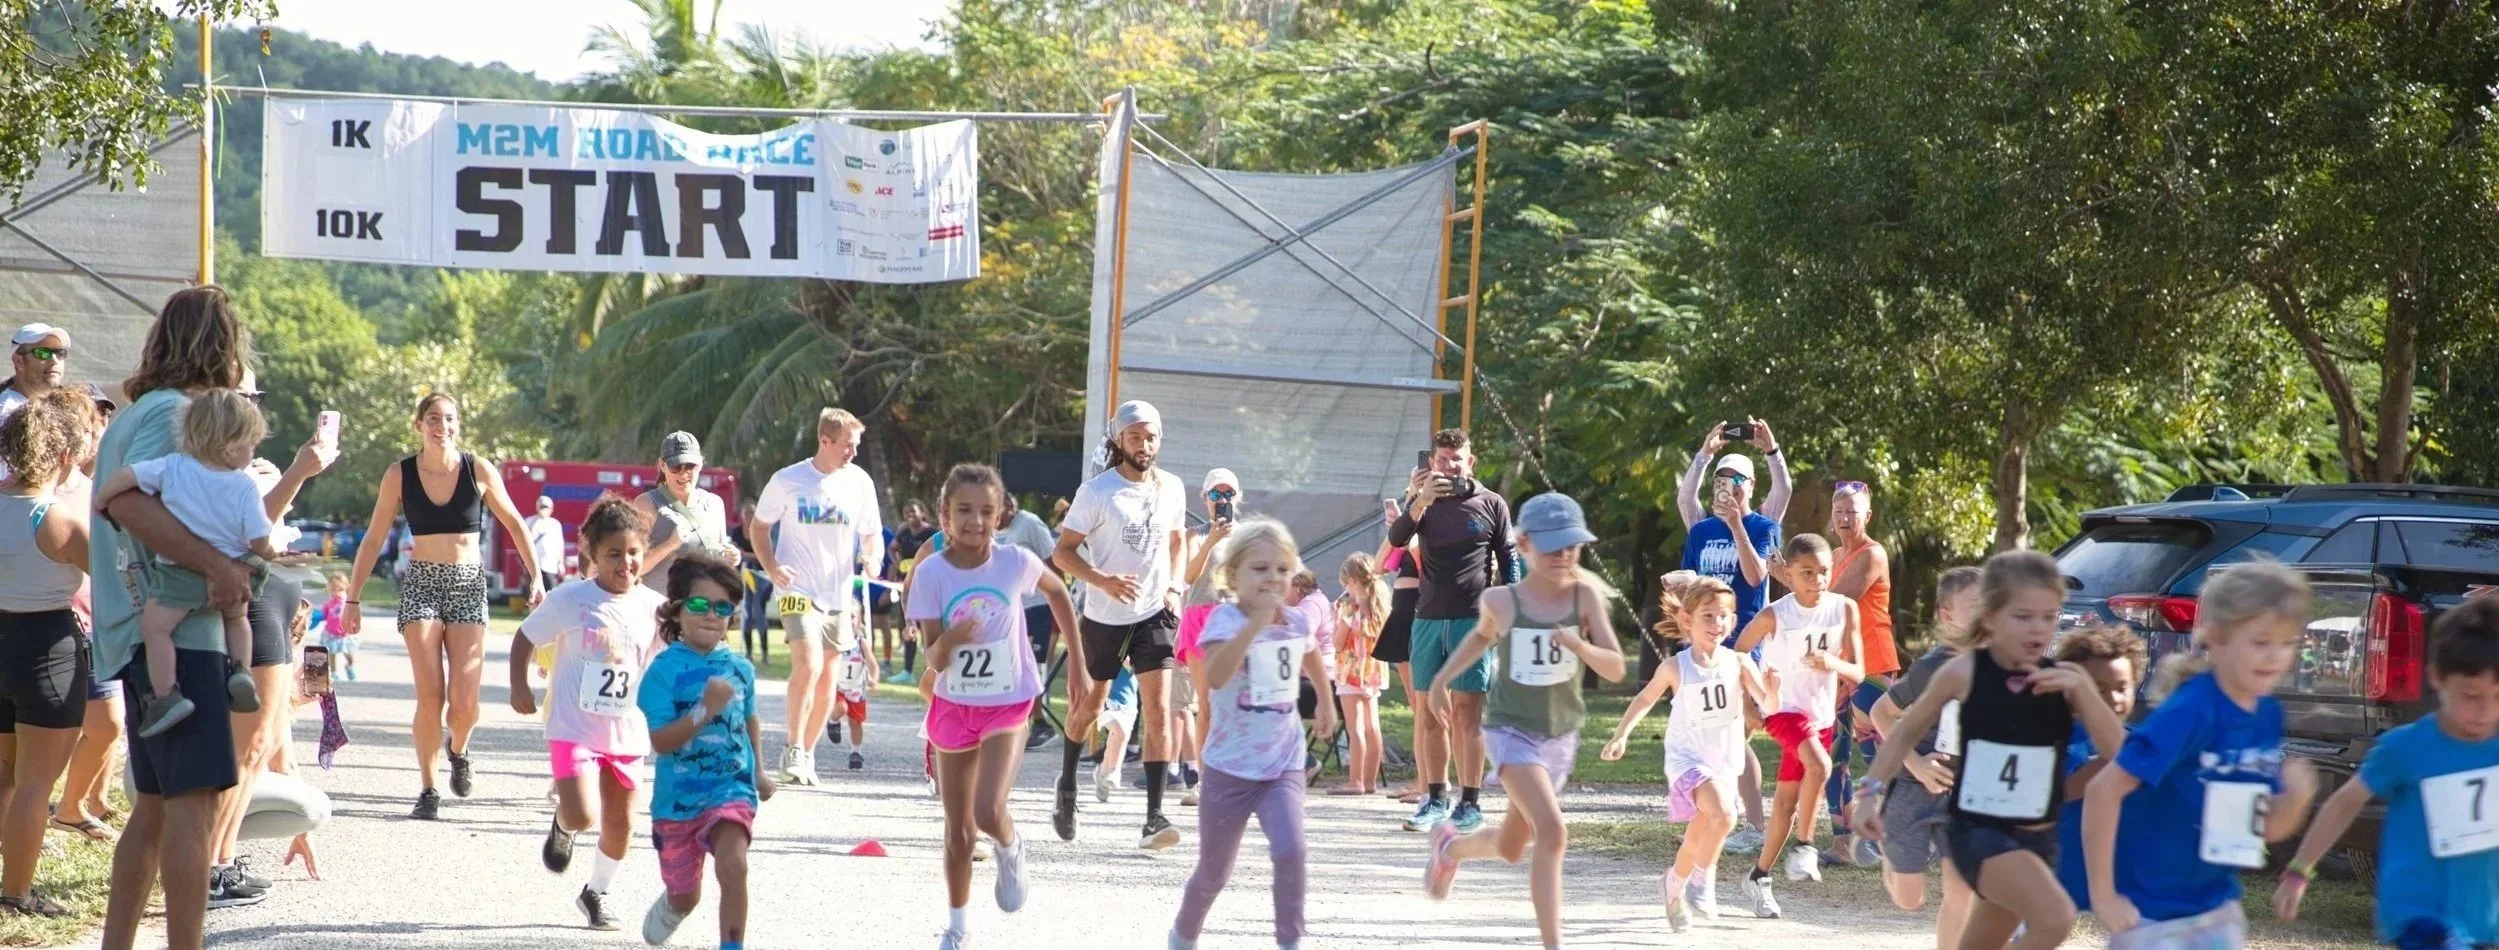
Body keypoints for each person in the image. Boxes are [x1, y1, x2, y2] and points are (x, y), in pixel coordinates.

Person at [92, 286, 261, 950]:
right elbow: (132, 508)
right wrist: (221, 570)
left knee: (155, 810)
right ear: (223, 343)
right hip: (179, 636)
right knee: (195, 807)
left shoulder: (140, 413)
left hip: (142, 634)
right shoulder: (176, 418)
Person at [1857, 551, 2125, 950]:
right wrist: (1869, 794)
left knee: (1983, 937)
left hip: (2033, 836)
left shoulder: (2059, 680)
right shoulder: (1962, 671)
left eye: (2048, 617)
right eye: (2023, 617)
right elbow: (1902, 730)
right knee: (2055, 918)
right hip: (1977, 828)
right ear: (1991, 616)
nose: (2038, 629)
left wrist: (2085, 692)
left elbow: (2119, 754)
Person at [1419, 493, 1626, 950]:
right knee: (1553, 833)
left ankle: (1450, 847)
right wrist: (1441, 681)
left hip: (1559, 738)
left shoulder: (1584, 596)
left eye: (1571, 545)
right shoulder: (1501, 599)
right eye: (1552, 546)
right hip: (1511, 733)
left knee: (1514, 847)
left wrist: (1580, 648)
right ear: (1524, 544)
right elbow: (1480, 638)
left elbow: (1615, 667)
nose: (1563, 555)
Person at [2083, 561, 2319, 947]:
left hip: (2216, 907)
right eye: (2261, 642)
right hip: (2151, 913)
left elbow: (2266, 827)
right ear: (2218, 639)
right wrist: (2104, 895)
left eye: (2288, 642)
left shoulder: (2267, 714)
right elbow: (2103, 791)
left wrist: (2296, 799)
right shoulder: (2191, 710)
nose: (2275, 656)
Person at [341, 392, 547, 819]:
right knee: (430, 694)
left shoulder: (479, 470)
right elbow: (374, 538)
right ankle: (429, 788)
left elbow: (514, 524)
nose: (442, 426)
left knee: (466, 701)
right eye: (433, 418)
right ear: (419, 425)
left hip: (468, 584)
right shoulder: (399, 475)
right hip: (422, 585)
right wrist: (353, 598)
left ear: (458, 424)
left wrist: (537, 577)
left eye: (449, 418)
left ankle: (459, 747)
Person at [911, 464, 1081, 950]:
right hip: (954, 704)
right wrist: (955, 636)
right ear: (945, 516)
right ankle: (958, 927)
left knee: (988, 811)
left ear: (1001, 514)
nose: (976, 522)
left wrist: (1079, 666)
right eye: (964, 511)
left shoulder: (1016, 562)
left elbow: (1058, 594)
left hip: (1009, 701)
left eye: (986, 511)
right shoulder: (931, 574)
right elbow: (934, 658)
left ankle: (1010, 845)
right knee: (959, 830)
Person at [2275, 595, 2499, 949]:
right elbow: (2344, 803)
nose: (2483, 712)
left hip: (2482, 920)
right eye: (2470, 695)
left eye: (2497, 697)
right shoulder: (2405, 747)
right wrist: (2300, 870)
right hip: (2418, 916)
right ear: (2437, 677)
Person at [1166, 519, 1336, 950]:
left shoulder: (1296, 620)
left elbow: (1312, 654)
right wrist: (1254, 626)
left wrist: (1326, 701)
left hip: (1282, 764)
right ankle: (1183, 936)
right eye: (1260, 569)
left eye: (1282, 570)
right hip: (1228, 769)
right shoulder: (1223, 619)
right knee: (1213, 873)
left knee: (1291, 851)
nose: (1273, 579)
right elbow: (1217, 677)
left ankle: (1290, 942)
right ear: (1233, 575)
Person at [94, 389, 295, 738]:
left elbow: (127, 476)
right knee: (237, 620)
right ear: (232, 447)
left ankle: (167, 694)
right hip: (232, 572)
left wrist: (102, 498)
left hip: (180, 574)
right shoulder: (245, 486)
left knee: (156, 630)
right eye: (251, 445)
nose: (253, 453)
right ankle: (241, 669)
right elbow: (259, 538)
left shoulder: (172, 467)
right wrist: (272, 551)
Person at [511, 499, 665, 931]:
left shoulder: (655, 607)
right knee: (582, 815)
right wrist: (519, 684)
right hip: (573, 727)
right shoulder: (570, 598)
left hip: (626, 731)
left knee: (621, 825)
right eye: (614, 553)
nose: (625, 562)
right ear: (593, 555)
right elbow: (524, 638)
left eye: (633, 553)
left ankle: (596, 892)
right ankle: (563, 825)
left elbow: (672, 661)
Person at [1602, 571, 1773, 931]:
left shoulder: (1740, 663)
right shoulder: (1675, 667)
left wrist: (1773, 688)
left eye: (1723, 615)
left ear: (1734, 620)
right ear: (1687, 621)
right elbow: (1644, 699)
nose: (1716, 623)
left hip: (1725, 761)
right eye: (1707, 616)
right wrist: (1620, 735)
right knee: (1725, 814)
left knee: (1704, 831)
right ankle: (1702, 881)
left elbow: (1768, 703)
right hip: (1688, 761)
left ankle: (1674, 885)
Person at [1050, 400, 1181, 848]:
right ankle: (1067, 784)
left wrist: (1175, 589)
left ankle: (1155, 818)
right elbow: (1062, 553)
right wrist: (1100, 580)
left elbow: (1177, 540)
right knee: (1089, 706)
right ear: (1118, 440)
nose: (1145, 445)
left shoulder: (1173, 488)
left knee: (1159, 709)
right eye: (1135, 437)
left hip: (1154, 613)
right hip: (1104, 614)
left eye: (1151, 437)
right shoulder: (1097, 491)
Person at [637, 558, 774, 950]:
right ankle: (675, 903)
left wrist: (760, 772)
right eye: (698, 605)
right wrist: (703, 710)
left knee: (734, 865)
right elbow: (662, 741)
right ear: (677, 609)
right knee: (687, 895)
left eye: (722, 607)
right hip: (677, 803)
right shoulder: (663, 672)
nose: (711, 615)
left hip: (731, 790)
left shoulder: (740, 669)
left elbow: (750, 722)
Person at [1392, 427, 1519, 835]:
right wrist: (1419, 500)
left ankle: (1469, 803)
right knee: (1429, 711)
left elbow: (1508, 555)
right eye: (1442, 459)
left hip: (1474, 621)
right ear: (1432, 461)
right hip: (1428, 618)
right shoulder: (1424, 501)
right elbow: (1396, 540)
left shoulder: (1491, 503)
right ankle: (1433, 799)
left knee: (1467, 712)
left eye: (1457, 459)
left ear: (1471, 461)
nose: (1449, 466)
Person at [748, 409, 884, 787]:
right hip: (797, 589)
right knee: (807, 663)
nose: (852, 454)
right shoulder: (788, 480)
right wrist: (772, 567)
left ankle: (807, 754)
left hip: (838, 592)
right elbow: (759, 527)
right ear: (824, 441)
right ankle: (791, 746)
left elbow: (872, 533)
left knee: (828, 676)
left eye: (855, 446)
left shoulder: (859, 482)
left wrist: (873, 558)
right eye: (847, 446)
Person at [0, 391, 97, 915]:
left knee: (4, 776)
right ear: (62, 457)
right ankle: (16, 893)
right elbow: (116, 581)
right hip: (47, 650)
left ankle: (9, 881)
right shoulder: (57, 519)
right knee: (37, 784)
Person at [1728, 533, 1861, 909]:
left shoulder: (1845, 609)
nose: (1816, 581)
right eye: (1806, 573)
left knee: (1785, 803)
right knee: (1820, 764)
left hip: (1819, 716)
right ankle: (1805, 847)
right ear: (1787, 572)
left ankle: (1759, 877)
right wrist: (1752, 700)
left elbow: (1859, 668)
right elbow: (1738, 652)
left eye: (1823, 572)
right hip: (1782, 709)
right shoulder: (1776, 613)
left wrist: (1830, 663)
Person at [1677, 420, 1788, 851]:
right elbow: (1686, 500)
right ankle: (1730, 818)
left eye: (1736, 481)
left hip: (1745, 643)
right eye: (1722, 481)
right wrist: (1704, 457)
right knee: (1715, 733)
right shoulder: (1702, 530)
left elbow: (1755, 574)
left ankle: (1752, 825)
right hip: (1705, 645)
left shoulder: (1762, 526)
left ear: (1750, 486)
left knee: (1733, 732)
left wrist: (1740, 520)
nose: (1727, 488)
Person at [1865, 566, 1984, 949]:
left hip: (1965, 794)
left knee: (1962, 891)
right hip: (1915, 790)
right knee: (1908, 899)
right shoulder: (1932, 666)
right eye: (1976, 604)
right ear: (1948, 614)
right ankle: (1889, 852)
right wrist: (1916, 763)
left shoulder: (2000, 664)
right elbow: (1881, 713)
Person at [2047, 624, 2145, 919]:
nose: (2113, 698)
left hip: (2115, 878)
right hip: (2051, 870)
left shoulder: (2139, 738)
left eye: (2121, 688)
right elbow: (2066, 790)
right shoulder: (2058, 736)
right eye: (2098, 690)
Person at [1824, 481, 1899, 868]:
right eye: (1839, 510)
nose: (1844, 517)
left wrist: (1793, 579)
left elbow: (1837, 601)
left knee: (1879, 753)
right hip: (1837, 666)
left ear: (1867, 516)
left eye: (1852, 510)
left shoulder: (1873, 554)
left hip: (1872, 665)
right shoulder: (1834, 554)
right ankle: (1843, 842)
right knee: (1833, 755)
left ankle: (1901, 837)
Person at [996, 492, 1067, 750]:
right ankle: (1017, 720)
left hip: (1038, 605)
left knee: (1030, 666)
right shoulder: (993, 531)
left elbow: (1054, 561)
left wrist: (1059, 603)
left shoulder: (1030, 524)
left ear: (1010, 506)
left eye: (999, 509)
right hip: (1009, 608)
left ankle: (1041, 723)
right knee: (1010, 665)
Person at [634, 431, 738, 594]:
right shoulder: (647, 504)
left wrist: (731, 557)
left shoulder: (714, 504)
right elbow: (634, 568)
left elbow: (720, 559)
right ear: (662, 466)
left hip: (700, 608)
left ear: (700, 465)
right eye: (676, 467)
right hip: (661, 612)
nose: (683, 473)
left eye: (690, 466)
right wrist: (669, 545)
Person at [1373, 506, 1423, 803]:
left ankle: (1430, 783)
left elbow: (1428, 566)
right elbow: (1379, 566)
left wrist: (1412, 542)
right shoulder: (1408, 527)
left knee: (1426, 706)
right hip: (1402, 613)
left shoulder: (1438, 528)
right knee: (1417, 707)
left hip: (1423, 611)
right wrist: (1397, 532)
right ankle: (1422, 780)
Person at [1330, 553, 1391, 796]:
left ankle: (1354, 781)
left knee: (1354, 728)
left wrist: (1337, 620)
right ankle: (1369, 781)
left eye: (1346, 582)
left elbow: (1337, 643)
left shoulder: (1350, 609)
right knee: (1372, 727)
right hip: (1373, 670)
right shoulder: (1380, 606)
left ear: (1354, 581)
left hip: (1350, 671)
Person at [891, 500, 938, 677]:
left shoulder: (932, 534)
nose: (910, 515)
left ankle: (932, 671)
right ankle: (907, 671)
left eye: (913, 511)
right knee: (907, 626)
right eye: (906, 512)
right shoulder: (903, 532)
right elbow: (892, 548)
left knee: (928, 630)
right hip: (909, 585)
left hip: (928, 587)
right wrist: (899, 565)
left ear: (923, 513)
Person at [1091, 668, 1141, 801]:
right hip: (1108, 694)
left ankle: (1103, 770)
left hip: (1128, 696)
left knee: (1118, 737)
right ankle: (1115, 770)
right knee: (1120, 732)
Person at [317, 571, 357, 681]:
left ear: (347, 588)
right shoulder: (328, 604)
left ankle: (350, 666)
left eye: (340, 590)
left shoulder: (348, 603)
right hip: (331, 632)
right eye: (333, 590)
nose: (336, 593)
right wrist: (317, 617)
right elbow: (323, 615)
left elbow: (353, 615)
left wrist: (353, 625)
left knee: (348, 653)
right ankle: (334, 672)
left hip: (345, 633)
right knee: (332, 653)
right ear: (328, 589)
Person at [525, 494, 567, 593]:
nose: (543, 509)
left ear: (551, 509)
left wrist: (561, 563)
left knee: (551, 591)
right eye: (541, 506)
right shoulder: (530, 521)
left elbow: (559, 545)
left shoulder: (555, 524)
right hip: (533, 565)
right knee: (533, 592)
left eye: (546, 507)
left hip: (550, 565)